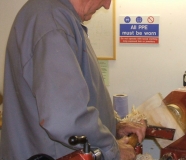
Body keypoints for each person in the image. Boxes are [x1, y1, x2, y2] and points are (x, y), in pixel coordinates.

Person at [0, 0, 147, 159]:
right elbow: (64, 118)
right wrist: (111, 149)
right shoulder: (52, 23)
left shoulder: (59, 18)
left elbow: (73, 103)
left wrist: (112, 128)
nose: (107, 5)